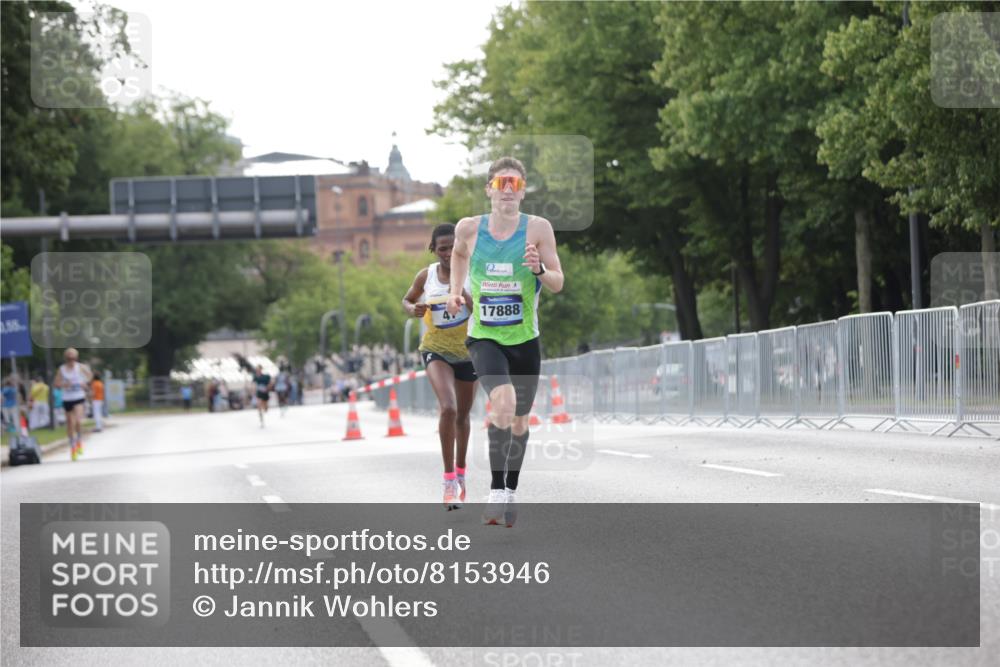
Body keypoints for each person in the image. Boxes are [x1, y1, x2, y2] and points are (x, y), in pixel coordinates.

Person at [447, 157, 564, 527]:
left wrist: (539, 270)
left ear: (524, 190)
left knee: (519, 420)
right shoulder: (469, 228)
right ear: (489, 190)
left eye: (515, 185)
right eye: (501, 185)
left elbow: (558, 281)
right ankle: (496, 492)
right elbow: (458, 254)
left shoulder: (538, 229)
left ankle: (510, 489)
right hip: (484, 337)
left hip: (525, 339)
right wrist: (454, 291)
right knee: (503, 401)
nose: (508, 192)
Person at [402, 223, 478, 510]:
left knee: (463, 416)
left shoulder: (473, 273)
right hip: (436, 349)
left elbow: (483, 311)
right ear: (434, 250)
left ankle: (460, 474)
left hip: (469, 351)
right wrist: (413, 309)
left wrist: (463, 297)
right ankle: (448, 480)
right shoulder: (427, 275)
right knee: (449, 408)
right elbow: (407, 299)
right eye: (442, 248)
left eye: (452, 247)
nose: (448, 253)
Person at [52, 348, 93, 461]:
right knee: (70, 423)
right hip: (67, 398)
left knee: (78, 421)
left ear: (76, 358)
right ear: (66, 358)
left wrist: (84, 383)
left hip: (79, 396)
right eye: (69, 358)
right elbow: (56, 383)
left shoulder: (80, 367)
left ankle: (79, 440)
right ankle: (72, 446)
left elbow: (90, 376)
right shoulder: (62, 369)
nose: (71, 360)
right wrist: (64, 384)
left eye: (73, 358)